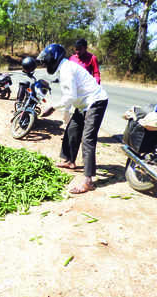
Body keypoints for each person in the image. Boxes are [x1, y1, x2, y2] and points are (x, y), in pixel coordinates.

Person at [38, 44, 108, 194]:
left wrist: (53, 107)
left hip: (96, 101)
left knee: (88, 138)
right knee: (72, 129)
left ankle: (88, 180)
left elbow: (70, 97)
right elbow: (69, 97)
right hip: (83, 104)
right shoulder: (64, 68)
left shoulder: (66, 70)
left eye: (47, 61)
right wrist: (66, 115)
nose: (46, 65)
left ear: (54, 58)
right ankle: (70, 161)